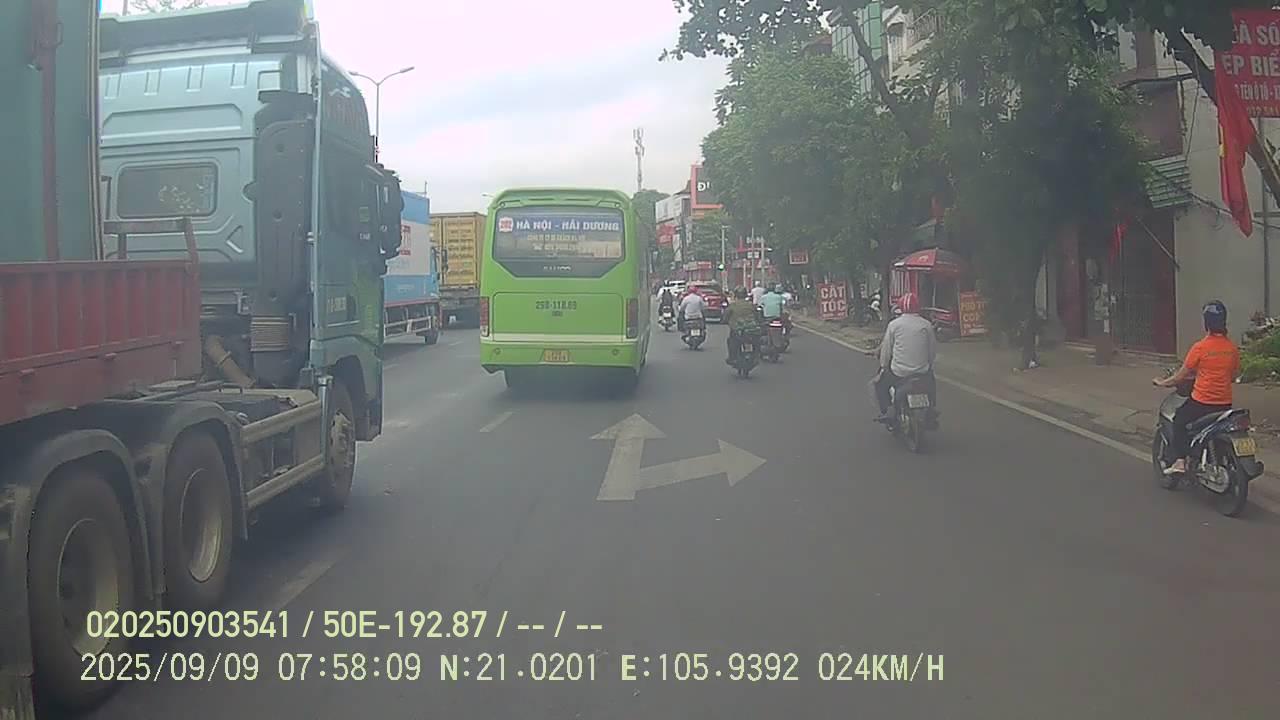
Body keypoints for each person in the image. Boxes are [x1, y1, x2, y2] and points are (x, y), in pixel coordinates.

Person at [1152, 300, 1240, 475]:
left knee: (1179, 420)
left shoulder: (1200, 347)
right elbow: (1233, 375)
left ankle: (1180, 461)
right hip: (1224, 403)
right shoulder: (1232, 348)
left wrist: (1162, 382)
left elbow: (1180, 377)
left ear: (1206, 323)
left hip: (1202, 403)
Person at [873, 292, 937, 421]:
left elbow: (886, 350)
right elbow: (932, 351)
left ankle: (887, 410)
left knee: (880, 384)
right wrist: (928, 366)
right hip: (921, 372)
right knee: (931, 383)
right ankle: (931, 408)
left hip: (899, 372)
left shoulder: (894, 325)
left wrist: (883, 367)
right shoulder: (926, 325)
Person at [723, 287, 760, 365]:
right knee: (756, 341)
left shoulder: (733, 305)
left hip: (738, 331)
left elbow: (725, 316)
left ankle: (732, 357)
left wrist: (725, 321)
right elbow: (757, 317)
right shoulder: (751, 305)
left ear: (736, 295)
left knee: (731, 341)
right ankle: (756, 355)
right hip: (751, 330)